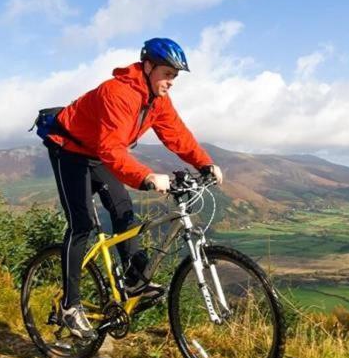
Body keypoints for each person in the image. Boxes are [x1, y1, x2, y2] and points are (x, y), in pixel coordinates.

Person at [42, 38, 223, 339]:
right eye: (167, 73)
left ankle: (133, 279)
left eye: (175, 76)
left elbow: (177, 134)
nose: (171, 82)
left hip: (98, 152)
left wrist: (205, 163)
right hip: (69, 149)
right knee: (82, 224)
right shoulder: (119, 93)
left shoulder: (157, 99)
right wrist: (147, 176)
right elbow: (112, 149)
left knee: (124, 211)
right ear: (148, 66)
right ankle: (69, 307)